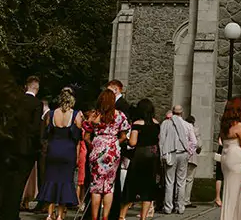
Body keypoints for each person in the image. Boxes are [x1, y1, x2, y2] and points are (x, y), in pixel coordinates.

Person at [0, 76, 45, 220]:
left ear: (26, 86)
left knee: (9, 181)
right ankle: (12, 215)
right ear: (36, 89)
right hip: (27, 148)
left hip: (12, 145)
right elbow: (35, 128)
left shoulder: (16, 101)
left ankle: (4, 212)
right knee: (19, 183)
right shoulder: (37, 104)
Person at [83, 89, 131, 220]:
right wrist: (114, 142)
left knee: (96, 186)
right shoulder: (119, 115)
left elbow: (86, 136)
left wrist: (93, 145)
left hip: (98, 147)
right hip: (112, 149)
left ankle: (94, 217)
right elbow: (124, 135)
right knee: (109, 186)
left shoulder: (95, 115)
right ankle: (105, 217)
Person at [38, 88, 83, 220]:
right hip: (68, 150)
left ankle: (49, 213)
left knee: (51, 180)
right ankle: (59, 215)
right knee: (65, 181)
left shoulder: (51, 114)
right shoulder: (76, 114)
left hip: (54, 149)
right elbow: (78, 136)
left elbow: (47, 133)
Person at [120, 99, 161, 220]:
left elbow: (133, 142)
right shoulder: (156, 124)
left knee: (132, 186)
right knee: (148, 189)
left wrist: (126, 140)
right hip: (153, 157)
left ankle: (122, 215)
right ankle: (143, 217)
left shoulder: (137, 124)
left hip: (140, 157)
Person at [160, 105, 195, 215]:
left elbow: (161, 140)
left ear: (172, 112)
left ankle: (168, 207)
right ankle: (180, 207)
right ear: (182, 113)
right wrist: (189, 153)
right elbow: (194, 142)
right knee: (181, 181)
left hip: (170, 153)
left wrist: (162, 155)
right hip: (183, 153)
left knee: (169, 181)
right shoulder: (188, 125)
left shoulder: (165, 123)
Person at [184, 116, 201, 209]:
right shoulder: (195, 130)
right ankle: (186, 200)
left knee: (181, 179)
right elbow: (199, 144)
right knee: (189, 179)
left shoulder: (182, 129)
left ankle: (178, 199)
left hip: (183, 155)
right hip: (192, 157)